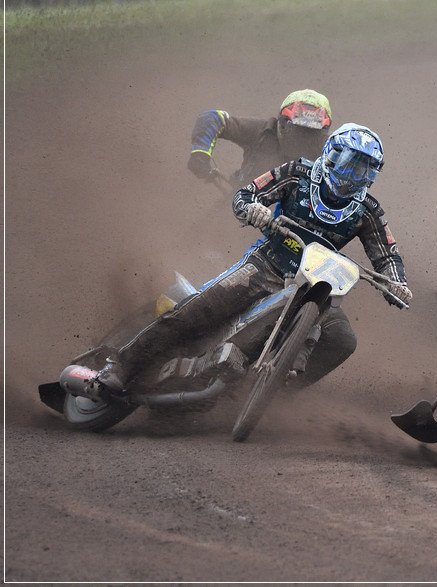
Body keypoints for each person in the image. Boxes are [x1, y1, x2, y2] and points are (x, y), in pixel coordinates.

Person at [98, 123, 410, 394]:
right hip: (266, 267)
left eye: (365, 168)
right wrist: (254, 209)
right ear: (331, 152)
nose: (355, 174)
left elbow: (387, 255)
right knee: (196, 312)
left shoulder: (368, 210)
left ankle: (276, 393)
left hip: (319, 288)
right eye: (350, 162)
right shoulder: (296, 173)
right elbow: (246, 195)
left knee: (343, 341)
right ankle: (120, 367)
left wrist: (396, 282)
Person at [187, 89, 333, 187]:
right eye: (298, 130)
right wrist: (201, 153)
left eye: (310, 133)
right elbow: (213, 118)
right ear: (281, 123)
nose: (302, 138)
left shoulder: (332, 153)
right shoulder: (263, 131)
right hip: (239, 209)